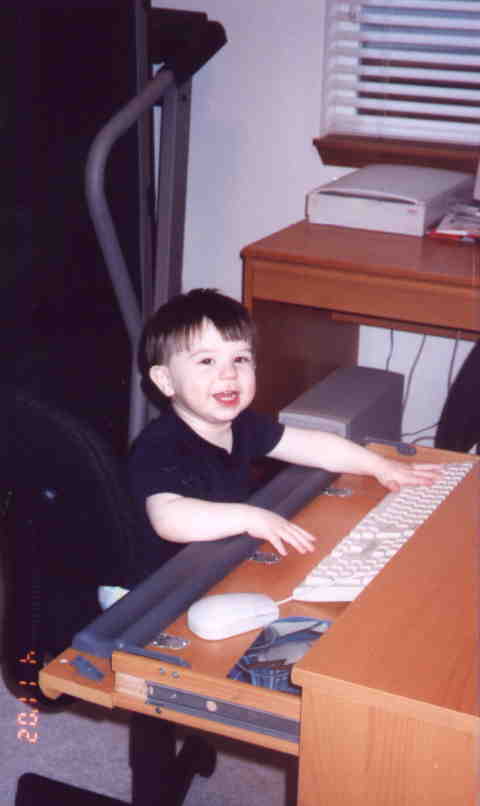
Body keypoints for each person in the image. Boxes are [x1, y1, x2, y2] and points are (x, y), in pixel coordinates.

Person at [98, 288, 440, 608]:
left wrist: (380, 466)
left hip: (199, 566)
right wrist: (250, 517)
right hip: (141, 594)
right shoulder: (160, 445)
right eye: (206, 362)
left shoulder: (242, 425)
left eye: (240, 359)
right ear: (165, 380)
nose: (229, 374)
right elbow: (170, 519)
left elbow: (314, 445)